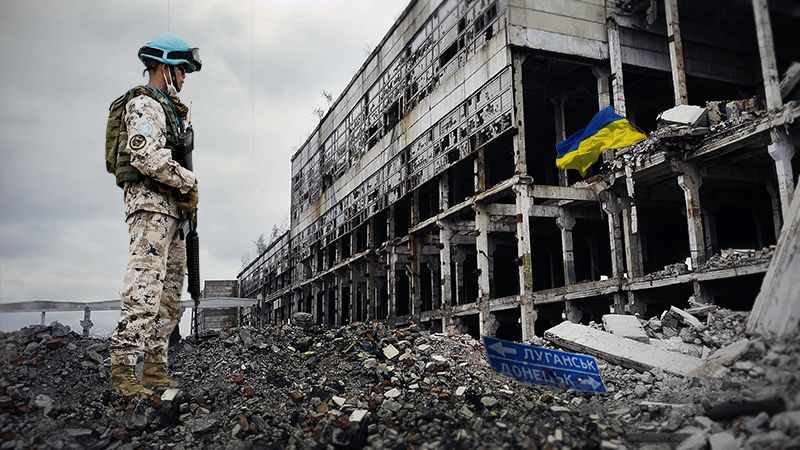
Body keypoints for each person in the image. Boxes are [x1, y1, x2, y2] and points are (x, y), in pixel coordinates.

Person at [107, 33, 201, 397]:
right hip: (149, 207)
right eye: (181, 70)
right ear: (164, 67)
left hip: (171, 213)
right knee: (145, 287)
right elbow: (146, 156)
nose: (184, 77)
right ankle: (123, 369)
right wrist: (188, 181)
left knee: (169, 292)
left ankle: (155, 368)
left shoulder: (169, 109)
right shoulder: (145, 105)